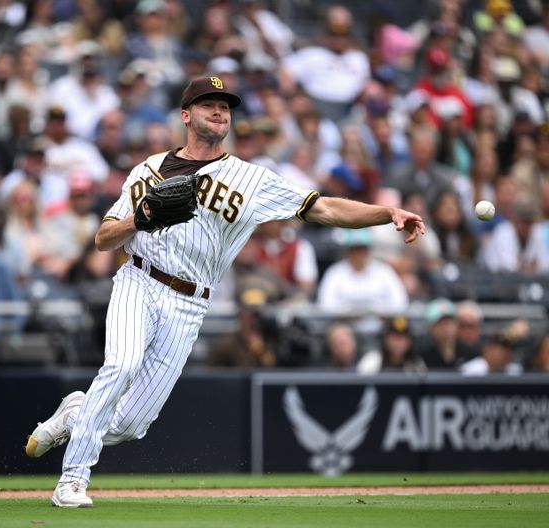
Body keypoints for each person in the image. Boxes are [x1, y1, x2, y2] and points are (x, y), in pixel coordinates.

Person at [24, 75, 425, 507]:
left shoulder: (252, 180)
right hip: (138, 280)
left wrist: (386, 212)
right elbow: (104, 239)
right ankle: (73, 479)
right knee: (120, 365)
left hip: (190, 303)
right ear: (185, 115)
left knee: (129, 425)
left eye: (225, 106)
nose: (219, 111)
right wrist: (139, 221)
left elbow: (323, 207)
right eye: (207, 103)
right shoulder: (146, 169)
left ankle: (76, 413)